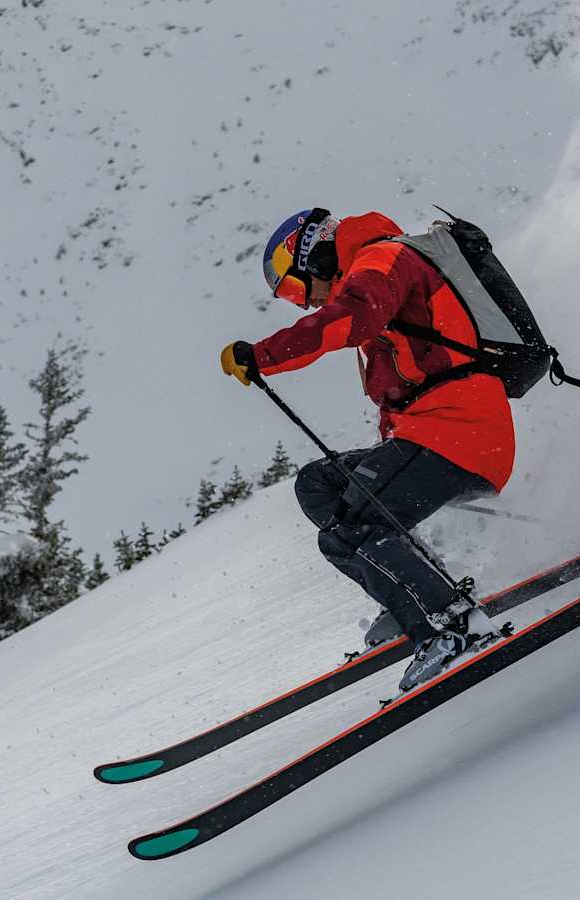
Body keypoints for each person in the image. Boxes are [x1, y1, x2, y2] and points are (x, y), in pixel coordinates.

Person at [220, 208, 516, 691]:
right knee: (318, 485)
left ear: (314, 256)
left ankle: (449, 623)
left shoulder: (382, 258)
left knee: (350, 528)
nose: (302, 305)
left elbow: (354, 317)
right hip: (438, 432)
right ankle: (411, 596)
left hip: (460, 431)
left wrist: (265, 355)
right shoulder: (375, 270)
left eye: (296, 288)